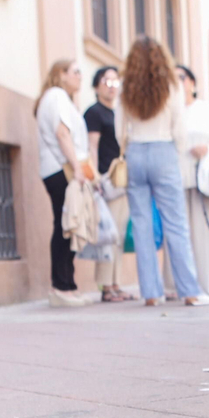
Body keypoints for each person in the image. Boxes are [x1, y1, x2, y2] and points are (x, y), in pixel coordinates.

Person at [117, 38, 209, 307]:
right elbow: (179, 127)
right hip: (164, 150)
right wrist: (176, 152)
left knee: (142, 224)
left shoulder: (126, 88)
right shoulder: (171, 86)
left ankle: (151, 293)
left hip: (135, 151)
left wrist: (127, 150)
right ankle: (189, 291)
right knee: (176, 223)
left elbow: (118, 127)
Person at [35, 59, 94, 307]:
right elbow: (62, 133)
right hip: (62, 170)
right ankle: (60, 288)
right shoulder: (56, 95)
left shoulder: (61, 98)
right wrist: (77, 168)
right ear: (60, 74)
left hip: (63, 169)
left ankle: (68, 285)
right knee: (64, 225)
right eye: (75, 72)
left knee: (67, 224)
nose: (80, 76)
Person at [175, 64, 209, 300]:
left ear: (192, 82)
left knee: (206, 234)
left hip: (204, 179)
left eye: (182, 78)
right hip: (176, 179)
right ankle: (177, 286)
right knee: (179, 233)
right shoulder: (170, 111)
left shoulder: (206, 110)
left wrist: (206, 148)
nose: (178, 83)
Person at [83, 66, 133, 303]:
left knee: (119, 235)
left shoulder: (118, 114)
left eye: (115, 82)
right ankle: (105, 286)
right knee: (107, 235)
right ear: (96, 86)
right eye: (106, 81)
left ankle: (116, 283)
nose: (111, 87)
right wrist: (94, 178)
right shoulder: (94, 113)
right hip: (105, 179)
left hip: (120, 181)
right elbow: (92, 146)